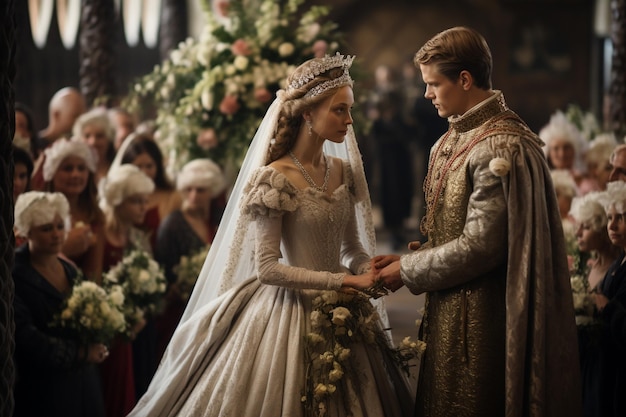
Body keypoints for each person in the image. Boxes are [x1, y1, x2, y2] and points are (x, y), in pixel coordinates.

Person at [129, 54, 413, 417]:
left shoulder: (344, 170)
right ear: (308, 113)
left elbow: (352, 245)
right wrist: (345, 280)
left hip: (346, 307)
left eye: (350, 109)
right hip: (287, 310)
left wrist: (366, 268)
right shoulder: (274, 178)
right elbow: (267, 268)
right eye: (339, 110)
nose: (350, 120)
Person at [374, 27, 582, 416]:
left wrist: (408, 269)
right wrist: (417, 254)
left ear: (465, 80)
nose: (426, 94)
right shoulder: (451, 139)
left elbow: (481, 246)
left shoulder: (501, 146)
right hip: (449, 307)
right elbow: (452, 228)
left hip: (485, 318)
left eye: (433, 83)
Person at [12, 191, 107, 417]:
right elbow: (26, 338)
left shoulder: (69, 269)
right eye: (46, 229)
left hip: (82, 383)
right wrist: (81, 353)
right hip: (42, 387)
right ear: (27, 232)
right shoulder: (14, 274)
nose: (56, 235)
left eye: (59, 226)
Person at [154, 158, 226, 360]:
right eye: (189, 189)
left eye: (201, 190)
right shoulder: (173, 224)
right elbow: (163, 272)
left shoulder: (219, 218)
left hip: (215, 306)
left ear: (211, 191)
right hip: (180, 311)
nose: (194, 196)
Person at [98, 163, 155, 417]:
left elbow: (149, 286)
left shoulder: (139, 239)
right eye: (136, 201)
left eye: (145, 201)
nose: (144, 208)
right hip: (102, 329)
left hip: (129, 333)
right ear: (118, 201)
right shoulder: (100, 235)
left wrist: (138, 315)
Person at [569, 191, 620, 417]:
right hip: (583, 363)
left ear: (602, 230)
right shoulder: (590, 266)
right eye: (578, 226)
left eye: (586, 227)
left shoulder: (616, 270)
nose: (578, 233)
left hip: (606, 369)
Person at [43, 138, 104, 282]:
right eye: (68, 168)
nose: (75, 175)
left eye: (81, 168)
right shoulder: (40, 213)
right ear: (52, 173)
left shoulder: (95, 216)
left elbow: (95, 277)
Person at [590, 180, 626, 416]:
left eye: (620, 217)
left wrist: (606, 307)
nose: (612, 225)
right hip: (607, 373)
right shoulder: (617, 263)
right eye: (610, 217)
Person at [32, 87, 87, 190]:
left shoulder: (78, 147)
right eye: (75, 116)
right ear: (56, 115)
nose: (81, 123)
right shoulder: (33, 146)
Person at [73, 107, 117, 185]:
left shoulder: (118, 167)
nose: (93, 142)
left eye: (99, 136)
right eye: (87, 136)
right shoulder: (74, 171)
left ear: (109, 138)